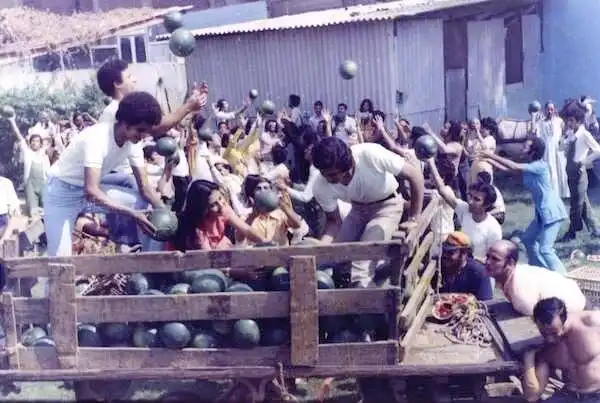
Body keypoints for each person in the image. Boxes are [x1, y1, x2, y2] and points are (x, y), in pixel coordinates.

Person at [43, 92, 166, 258]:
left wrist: (165, 212)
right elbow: (91, 191)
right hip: (61, 193)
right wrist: (131, 214)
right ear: (124, 122)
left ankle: (148, 266)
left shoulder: (133, 143)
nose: (143, 136)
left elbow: (145, 188)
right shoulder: (98, 137)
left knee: (147, 209)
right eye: (140, 130)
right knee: (60, 262)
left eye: (147, 132)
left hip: (89, 192)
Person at [312, 137, 424, 288]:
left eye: (332, 174)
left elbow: (415, 175)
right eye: (324, 173)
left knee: (362, 262)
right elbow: (334, 221)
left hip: (387, 205)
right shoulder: (321, 185)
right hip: (358, 209)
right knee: (333, 254)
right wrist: (323, 247)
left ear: (348, 165)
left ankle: (367, 305)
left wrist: (413, 218)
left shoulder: (369, 154)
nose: (327, 178)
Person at [480, 136, 568, 273]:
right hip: (542, 212)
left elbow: (514, 166)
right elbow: (511, 170)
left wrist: (491, 155)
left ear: (533, 151)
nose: (522, 148)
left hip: (552, 212)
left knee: (545, 249)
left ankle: (564, 278)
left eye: (526, 146)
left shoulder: (540, 166)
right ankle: (541, 270)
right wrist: (490, 160)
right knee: (528, 239)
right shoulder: (531, 167)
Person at [522, 297, 600, 402]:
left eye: (554, 333)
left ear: (564, 320)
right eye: (544, 333)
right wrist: (528, 360)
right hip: (569, 395)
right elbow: (532, 396)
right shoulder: (545, 350)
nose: (550, 339)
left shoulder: (593, 323)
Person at [484, 240, 586, 316]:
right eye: (487, 256)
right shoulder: (514, 275)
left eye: (495, 259)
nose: (487, 262)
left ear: (510, 263)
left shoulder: (520, 290)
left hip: (571, 309)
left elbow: (533, 321)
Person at [560, 100, 600, 241]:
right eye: (567, 120)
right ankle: (595, 230)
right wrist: (565, 139)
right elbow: (562, 150)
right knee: (583, 204)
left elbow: (597, 150)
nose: (569, 123)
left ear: (578, 120)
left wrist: (585, 161)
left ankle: (572, 232)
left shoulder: (585, 134)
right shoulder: (572, 134)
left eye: (571, 120)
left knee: (576, 205)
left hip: (579, 173)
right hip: (569, 172)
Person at [435, 232, 493, 301]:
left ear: (464, 253)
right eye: (444, 251)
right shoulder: (437, 266)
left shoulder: (479, 273)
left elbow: (486, 303)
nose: (445, 255)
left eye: (450, 253)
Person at [539, 102, 570, 199]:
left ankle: (563, 193)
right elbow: (539, 136)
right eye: (548, 109)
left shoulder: (559, 121)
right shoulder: (542, 123)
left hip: (558, 148)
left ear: (554, 109)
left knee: (561, 168)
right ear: (545, 110)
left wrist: (563, 139)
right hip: (548, 149)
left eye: (551, 109)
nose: (550, 111)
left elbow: (566, 132)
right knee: (550, 169)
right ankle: (552, 193)